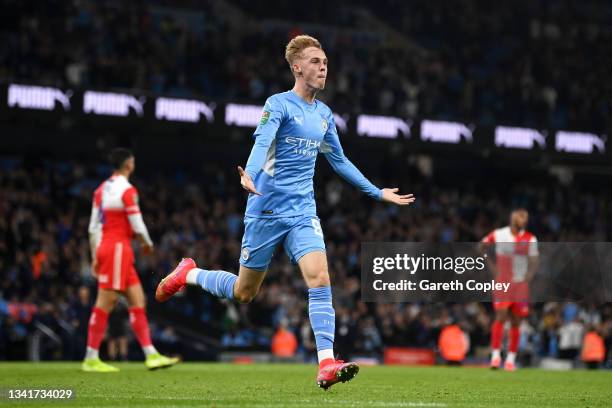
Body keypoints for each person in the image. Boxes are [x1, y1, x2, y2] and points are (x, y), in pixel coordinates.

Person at [156, 34, 414, 389]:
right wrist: (249, 172)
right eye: (314, 61)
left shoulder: (323, 114)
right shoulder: (278, 104)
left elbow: (338, 160)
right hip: (265, 210)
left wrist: (376, 191)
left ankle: (326, 363)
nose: (322, 67)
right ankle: (189, 274)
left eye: (324, 62)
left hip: (302, 211)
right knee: (245, 293)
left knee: (320, 277)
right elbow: (262, 141)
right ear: (297, 67)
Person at [83, 148, 178, 372]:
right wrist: (147, 243)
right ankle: (90, 357)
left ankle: (151, 355)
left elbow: (92, 228)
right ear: (129, 164)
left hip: (110, 249)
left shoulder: (101, 189)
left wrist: (95, 255)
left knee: (138, 300)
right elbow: (137, 223)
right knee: (105, 303)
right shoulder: (127, 190)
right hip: (117, 249)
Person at [481, 209, 539, 371]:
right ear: (513, 218)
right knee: (500, 316)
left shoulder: (530, 239)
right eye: (521, 217)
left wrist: (530, 275)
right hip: (503, 282)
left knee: (516, 321)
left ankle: (511, 359)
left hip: (520, 284)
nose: (524, 220)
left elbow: (534, 260)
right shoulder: (499, 234)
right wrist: (491, 266)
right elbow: (481, 248)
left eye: (526, 218)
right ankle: (495, 356)